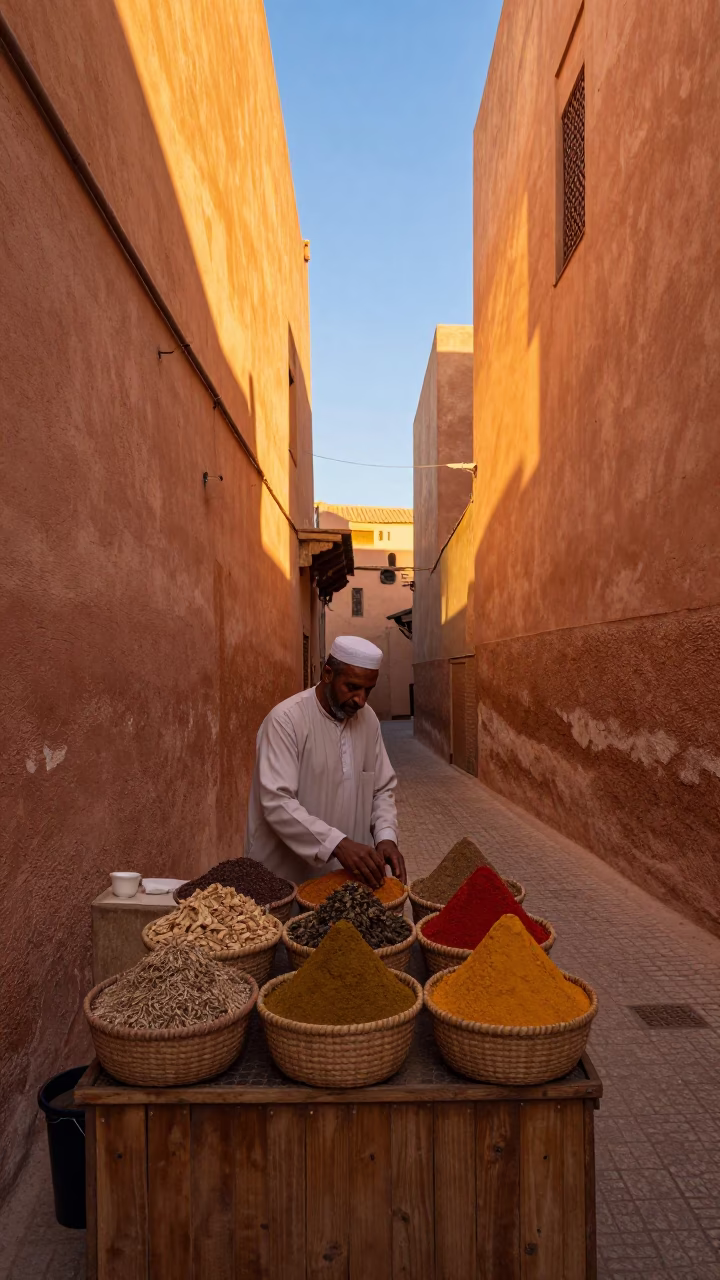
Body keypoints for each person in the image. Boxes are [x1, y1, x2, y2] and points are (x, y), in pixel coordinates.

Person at [245, 635, 406, 889]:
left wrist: (386, 836)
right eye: (352, 687)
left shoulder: (368, 719)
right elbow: (278, 802)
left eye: (368, 690)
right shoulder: (286, 720)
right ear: (328, 673)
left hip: (344, 878)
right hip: (283, 880)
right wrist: (337, 844)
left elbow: (381, 789)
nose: (360, 700)